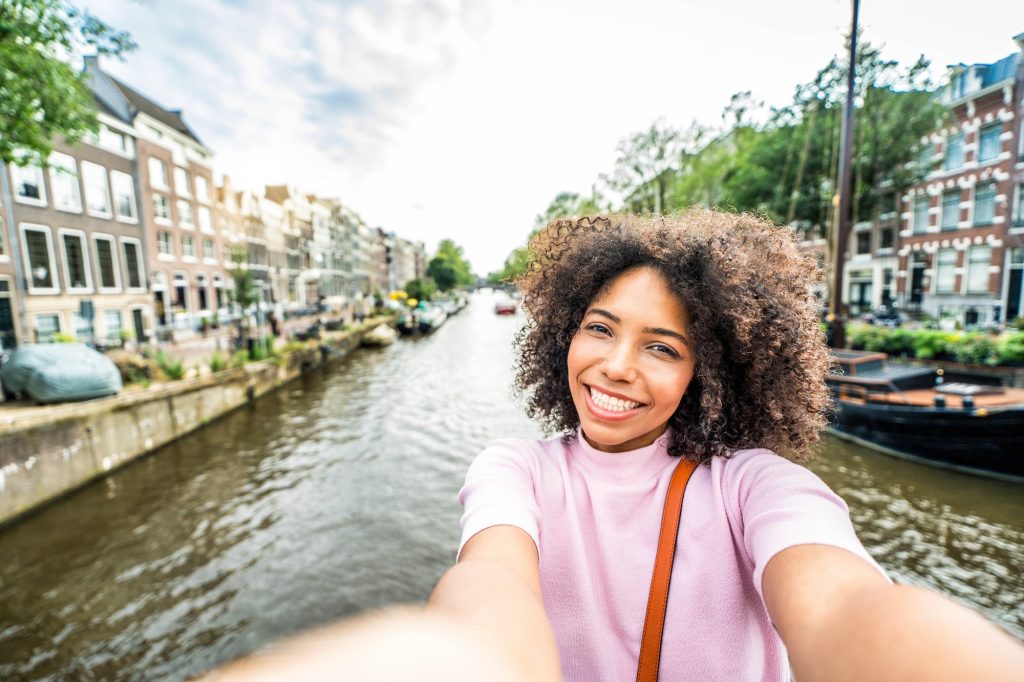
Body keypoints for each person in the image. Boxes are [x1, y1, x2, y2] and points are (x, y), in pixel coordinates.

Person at [212, 212, 1023, 681]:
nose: (615, 367)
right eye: (598, 329)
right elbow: (491, 590)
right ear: (563, 333)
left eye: (663, 347)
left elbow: (847, 608)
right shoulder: (514, 472)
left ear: (711, 372)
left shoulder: (759, 487)